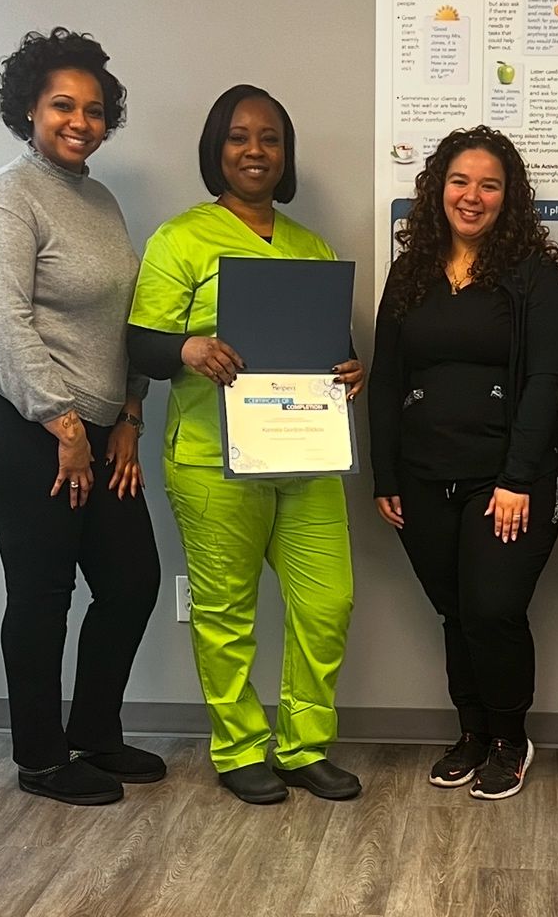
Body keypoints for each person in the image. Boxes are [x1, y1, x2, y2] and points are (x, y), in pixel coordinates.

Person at [127, 84, 362, 805]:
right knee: (227, 613)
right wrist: (189, 348)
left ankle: (302, 746)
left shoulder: (308, 245)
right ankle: (237, 748)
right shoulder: (180, 238)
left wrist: (351, 367)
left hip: (304, 453)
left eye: (269, 138)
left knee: (328, 603)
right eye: (238, 137)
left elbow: (327, 344)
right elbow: (141, 342)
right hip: (212, 457)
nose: (254, 151)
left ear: (285, 155)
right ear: (215, 150)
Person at [0, 28, 162, 807]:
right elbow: (0, 321)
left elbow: (129, 317)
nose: (81, 121)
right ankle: (40, 756)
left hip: (95, 419)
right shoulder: (5, 195)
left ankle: (94, 732)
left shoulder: (98, 199)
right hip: (11, 413)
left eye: (95, 110)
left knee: (132, 579)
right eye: (63, 105)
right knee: (43, 591)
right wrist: (65, 426)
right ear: (28, 109)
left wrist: (130, 411)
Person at [369, 125, 558, 801]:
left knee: (492, 609)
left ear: (508, 196)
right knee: (454, 609)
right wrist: (385, 476)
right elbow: (388, 374)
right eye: (460, 181)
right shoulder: (413, 270)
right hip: (424, 475)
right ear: (439, 188)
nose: (472, 195)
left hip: (506, 479)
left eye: (489, 184)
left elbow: (547, 379)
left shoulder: (532, 275)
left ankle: (511, 736)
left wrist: (518, 479)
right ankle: (473, 732)